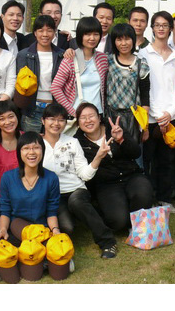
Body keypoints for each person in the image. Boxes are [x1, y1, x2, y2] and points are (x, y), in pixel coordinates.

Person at [40, 104, 117, 258]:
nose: (56, 123)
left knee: (76, 202)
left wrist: (98, 157)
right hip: (53, 195)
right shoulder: (36, 143)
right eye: (52, 119)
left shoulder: (72, 142)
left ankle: (108, 242)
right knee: (67, 227)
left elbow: (84, 175)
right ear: (43, 121)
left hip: (76, 190)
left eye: (61, 120)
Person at [74, 103, 154, 232]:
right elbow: (85, 174)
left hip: (131, 175)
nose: (88, 120)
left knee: (143, 192)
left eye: (91, 116)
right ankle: (123, 214)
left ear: (99, 117)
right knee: (118, 221)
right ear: (78, 122)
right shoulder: (77, 142)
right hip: (107, 184)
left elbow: (136, 153)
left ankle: (137, 221)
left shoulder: (113, 128)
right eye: (83, 118)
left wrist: (121, 140)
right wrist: (98, 156)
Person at [138, 11, 175, 210]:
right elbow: (144, 88)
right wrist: (156, 114)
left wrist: (170, 113)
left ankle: (165, 199)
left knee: (167, 161)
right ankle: (148, 199)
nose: (161, 28)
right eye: (157, 25)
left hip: (171, 117)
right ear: (152, 28)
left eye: (165, 25)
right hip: (149, 117)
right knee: (147, 160)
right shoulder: (143, 54)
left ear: (170, 28)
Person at [0, 131, 61, 246]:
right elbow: (5, 209)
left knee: (55, 249)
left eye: (36, 148)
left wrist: (55, 230)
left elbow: (51, 211)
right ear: (19, 152)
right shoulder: (8, 177)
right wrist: (2, 230)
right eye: (26, 148)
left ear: (43, 151)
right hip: (17, 228)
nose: (31, 152)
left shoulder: (51, 178)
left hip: (41, 230)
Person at [105, 23, 151, 157]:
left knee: (134, 155)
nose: (123, 43)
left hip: (133, 119)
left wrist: (145, 127)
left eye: (127, 39)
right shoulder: (107, 61)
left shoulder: (141, 63)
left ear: (133, 40)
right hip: (111, 116)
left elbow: (145, 96)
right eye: (119, 39)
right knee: (112, 155)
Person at [15, 15, 65, 132]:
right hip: (32, 109)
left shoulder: (62, 55)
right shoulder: (24, 55)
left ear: (54, 32)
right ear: (35, 33)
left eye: (49, 30)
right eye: (41, 30)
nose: (45, 34)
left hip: (55, 109)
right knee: (32, 142)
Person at [51, 17, 108, 117]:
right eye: (88, 34)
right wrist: (72, 111)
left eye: (96, 34)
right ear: (80, 35)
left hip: (97, 114)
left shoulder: (103, 59)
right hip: (77, 115)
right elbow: (55, 88)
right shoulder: (70, 59)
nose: (92, 38)